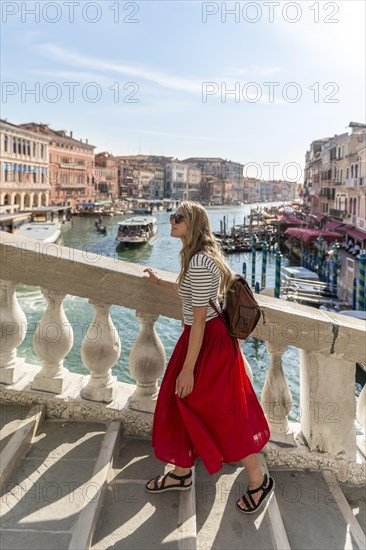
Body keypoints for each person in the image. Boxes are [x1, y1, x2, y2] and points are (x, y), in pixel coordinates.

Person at [143, 202, 274, 514]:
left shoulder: (201, 262)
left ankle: (259, 480)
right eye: (172, 217)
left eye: (177, 218)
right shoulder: (196, 258)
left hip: (207, 343)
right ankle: (181, 472)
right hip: (201, 339)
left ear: (192, 225)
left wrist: (188, 370)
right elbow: (189, 293)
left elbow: (200, 319)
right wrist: (159, 282)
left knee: (222, 412)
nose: (170, 221)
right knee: (181, 404)